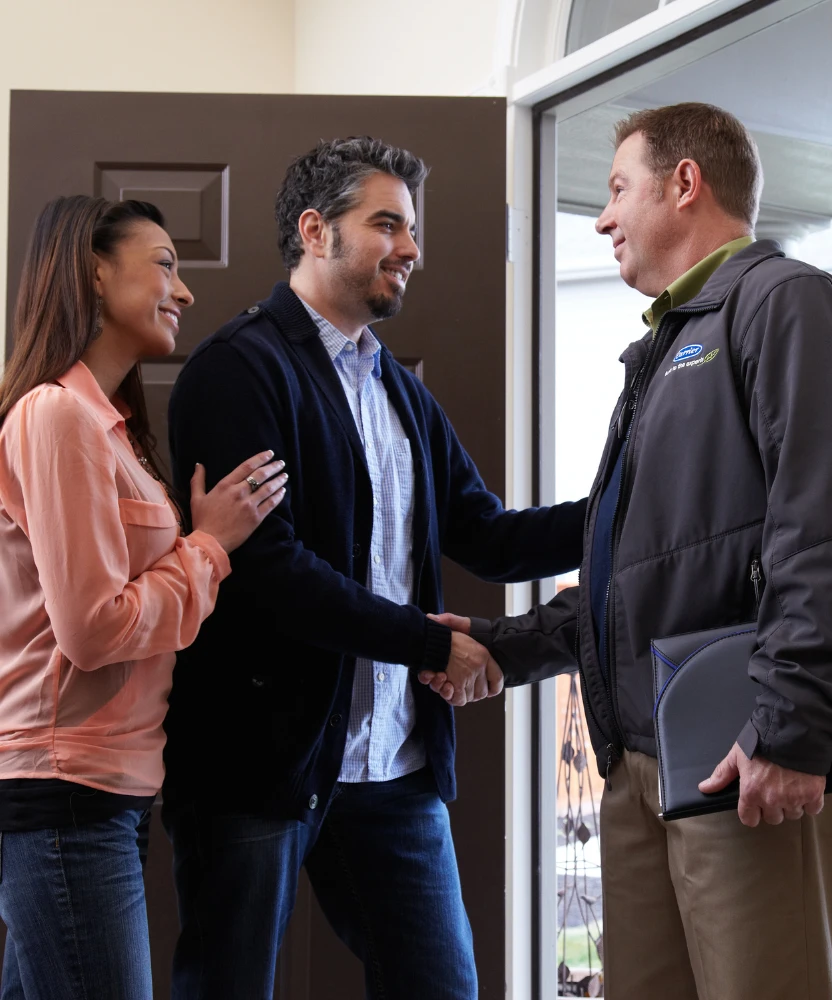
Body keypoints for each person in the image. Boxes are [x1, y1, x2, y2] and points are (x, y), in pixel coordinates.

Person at [424, 103, 832, 1000]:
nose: (601, 218)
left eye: (616, 189)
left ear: (685, 185)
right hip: (646, 764)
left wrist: (790, 730)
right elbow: (633, 576)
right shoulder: (665, 348)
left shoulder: (788, 304)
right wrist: (502, 645)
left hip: (747, 760)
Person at [162, 136, 586, 1000]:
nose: (411, 249)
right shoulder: (237, 370)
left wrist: (626, 511)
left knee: (444, 987)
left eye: (412, 228)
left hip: (393, 770)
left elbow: (489, 534)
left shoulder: (398, 389)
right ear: (316, 232)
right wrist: (429, 645)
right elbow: (273, 571)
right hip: (261, 768)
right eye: (386, 223)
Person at [0, 196, 286, 1000]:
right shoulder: (57, 416)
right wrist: (209, 545)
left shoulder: (109, 430)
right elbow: (92, 632)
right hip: (68, 795)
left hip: (101, 794)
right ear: (95, 272)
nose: (184, 290)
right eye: (163, 263)